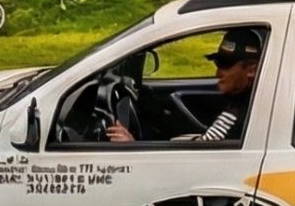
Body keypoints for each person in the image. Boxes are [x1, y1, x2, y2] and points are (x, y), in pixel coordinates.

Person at [108, 28, 262, 143]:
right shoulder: (246, 102)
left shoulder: (239, 115)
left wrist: (133, 147)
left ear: (251, 70)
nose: (217, 73)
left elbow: (198, 159)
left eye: (226, 65)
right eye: (218, 63)